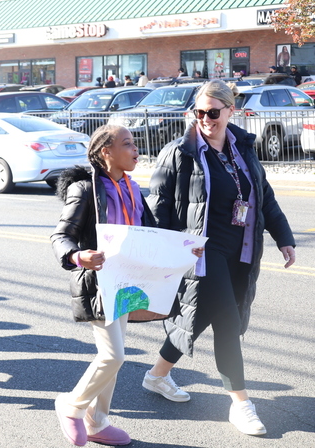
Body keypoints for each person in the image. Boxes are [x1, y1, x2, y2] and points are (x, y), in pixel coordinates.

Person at [143, 80, 296, 436]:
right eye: (199, 113)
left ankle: (157, 375)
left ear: (231, 110)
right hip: (199, 252)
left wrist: (283, 237)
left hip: (240, 250)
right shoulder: (180, 152)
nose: (206, 119)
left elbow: (263, 195)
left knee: (200, 318)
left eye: (213, 112)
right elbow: (159, 208)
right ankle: (241, 404)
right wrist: (160, 258)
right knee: (227, 320)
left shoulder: (243, 147)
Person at [50, 126, 203, 446]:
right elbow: (60, 236)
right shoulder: (85, 189)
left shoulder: (133, 188)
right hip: (97, 284)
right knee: (113, 356)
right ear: (106, 151)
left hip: (125, 285)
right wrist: (78, 255)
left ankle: (97, 421)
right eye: (127, 144)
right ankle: (72, 405)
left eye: (135, 142)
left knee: (113, 357)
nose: (136, 149)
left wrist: (184, 249)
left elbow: (150, 236)